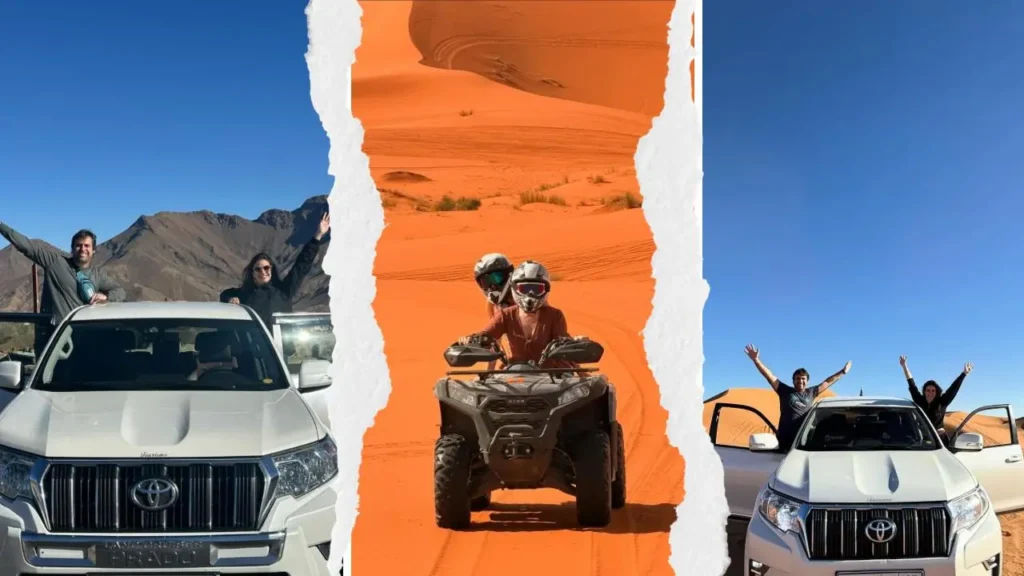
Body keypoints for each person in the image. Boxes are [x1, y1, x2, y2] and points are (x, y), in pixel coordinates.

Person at [0, 223, 125, 357]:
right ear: (72, 249)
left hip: (83, 339)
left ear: (93, 250)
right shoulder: (56, 263)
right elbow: (26, 246)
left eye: (87, 246)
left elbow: (120, 292)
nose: (82, 249)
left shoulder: (97, 275)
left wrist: (106, 297)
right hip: (54, 338)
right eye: (78, 245)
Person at [220, 211, 330, 330]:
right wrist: (230, 299)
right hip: (254, 347)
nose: (263, 271)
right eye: (258, 269)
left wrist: (317, 236)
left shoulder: (283, 291)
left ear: (271, 269)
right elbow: (225, 294)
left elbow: (301, 266)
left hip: (282, 347)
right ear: (252, 273)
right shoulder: (244, 294)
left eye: (266, 267)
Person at [460, 260, 574, 369]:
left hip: (553, 378)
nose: (530, 294)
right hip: (515, 375)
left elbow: (563, 344)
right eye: (523, 288)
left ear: (545, 290)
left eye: (536, 289)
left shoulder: (554, 315)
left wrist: (577, 342)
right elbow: (488, 336)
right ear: (514, 288)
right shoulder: (505, 315)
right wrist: (471, 339)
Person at [744, 344, 852, 452]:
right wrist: (756, 360)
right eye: (798, 379)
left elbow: (827, 382)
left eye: (803, 379)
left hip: (804, 441)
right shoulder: (784, 391)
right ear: (793, 380)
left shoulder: (811, 392)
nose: (800, 381)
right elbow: (769, 375)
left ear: (807, 381)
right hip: (784, 441)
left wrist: (842, 372)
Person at [900, 355, 972, 442]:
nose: (930, 393)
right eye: (928, 390)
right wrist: (904, 366)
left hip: (940, 440)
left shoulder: (942, 402)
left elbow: (953, 389)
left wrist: (964, 374)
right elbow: (911, 383)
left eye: (933, 391)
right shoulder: (919, 400)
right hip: (922, 439)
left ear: (936, 392)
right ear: (924, 391)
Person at [473, 253, 515, 318]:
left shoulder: (522, 296)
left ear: (509, 273)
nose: (492, 286)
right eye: (485, 282)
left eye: (496, 278)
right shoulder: (490, 304)